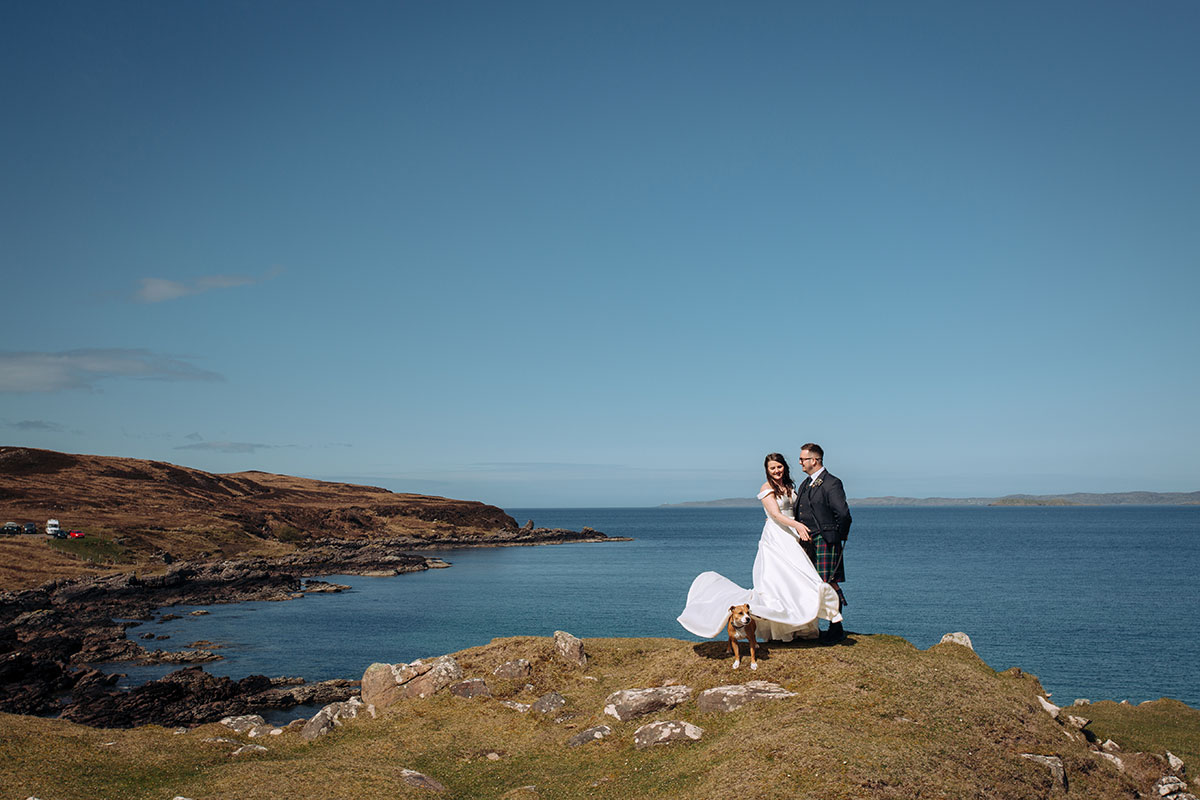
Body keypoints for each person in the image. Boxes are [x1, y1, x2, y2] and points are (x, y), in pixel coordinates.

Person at [677, 453, 842, 645]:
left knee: (797, 581)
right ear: (767, 470)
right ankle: (781, 630)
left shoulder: (790, 487)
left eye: (779, 467)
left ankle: (801, 627)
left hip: (793, 537)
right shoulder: (767, 488)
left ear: (784, 467)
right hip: (777, 537)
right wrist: (794, 525)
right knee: (777, 583)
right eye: (772, 468)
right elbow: (775, 514)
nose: (776, 471)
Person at [793, 443, 852, 643]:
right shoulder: (805, 484)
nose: (800, 462)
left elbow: (843, 514)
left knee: (828, 583)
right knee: (812, 582)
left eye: (803, 459)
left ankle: (836, 628)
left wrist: (837, 537)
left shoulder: (831, 482)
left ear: (814, 460)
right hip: (808, 541)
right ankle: (815, 625)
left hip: (826, 540)